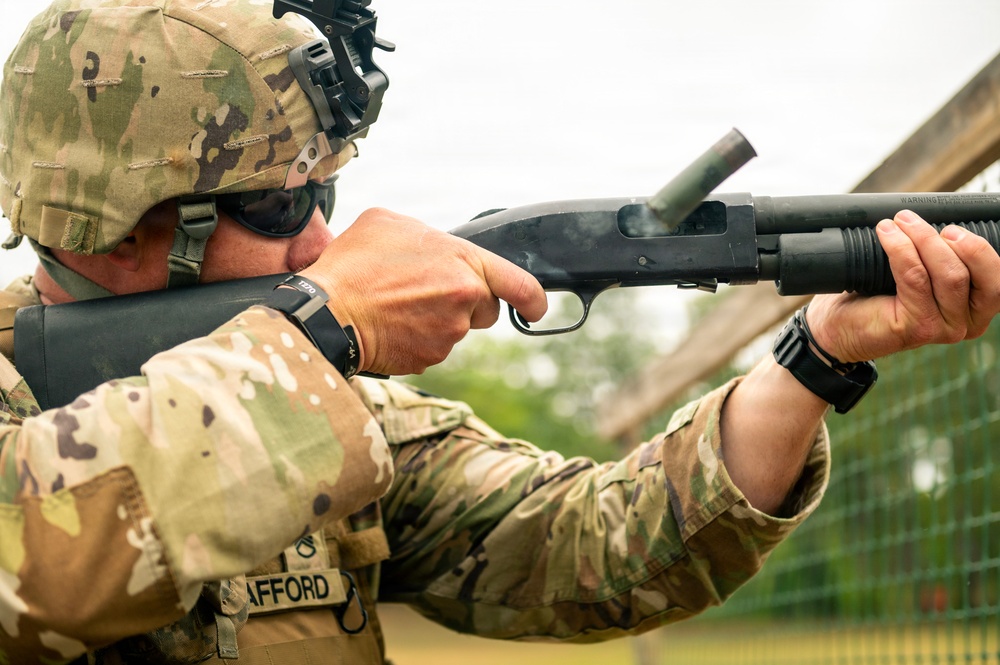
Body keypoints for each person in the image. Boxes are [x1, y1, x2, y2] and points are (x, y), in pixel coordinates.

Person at [0, 0, 996, 663]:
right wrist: (327, 323)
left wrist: (817, 356)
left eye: (324, 192)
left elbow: (591, 547)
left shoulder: (335, 402)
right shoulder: (293, 369)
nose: (323, 240)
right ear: (115, 225)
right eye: (277, 205)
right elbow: (27, 558)